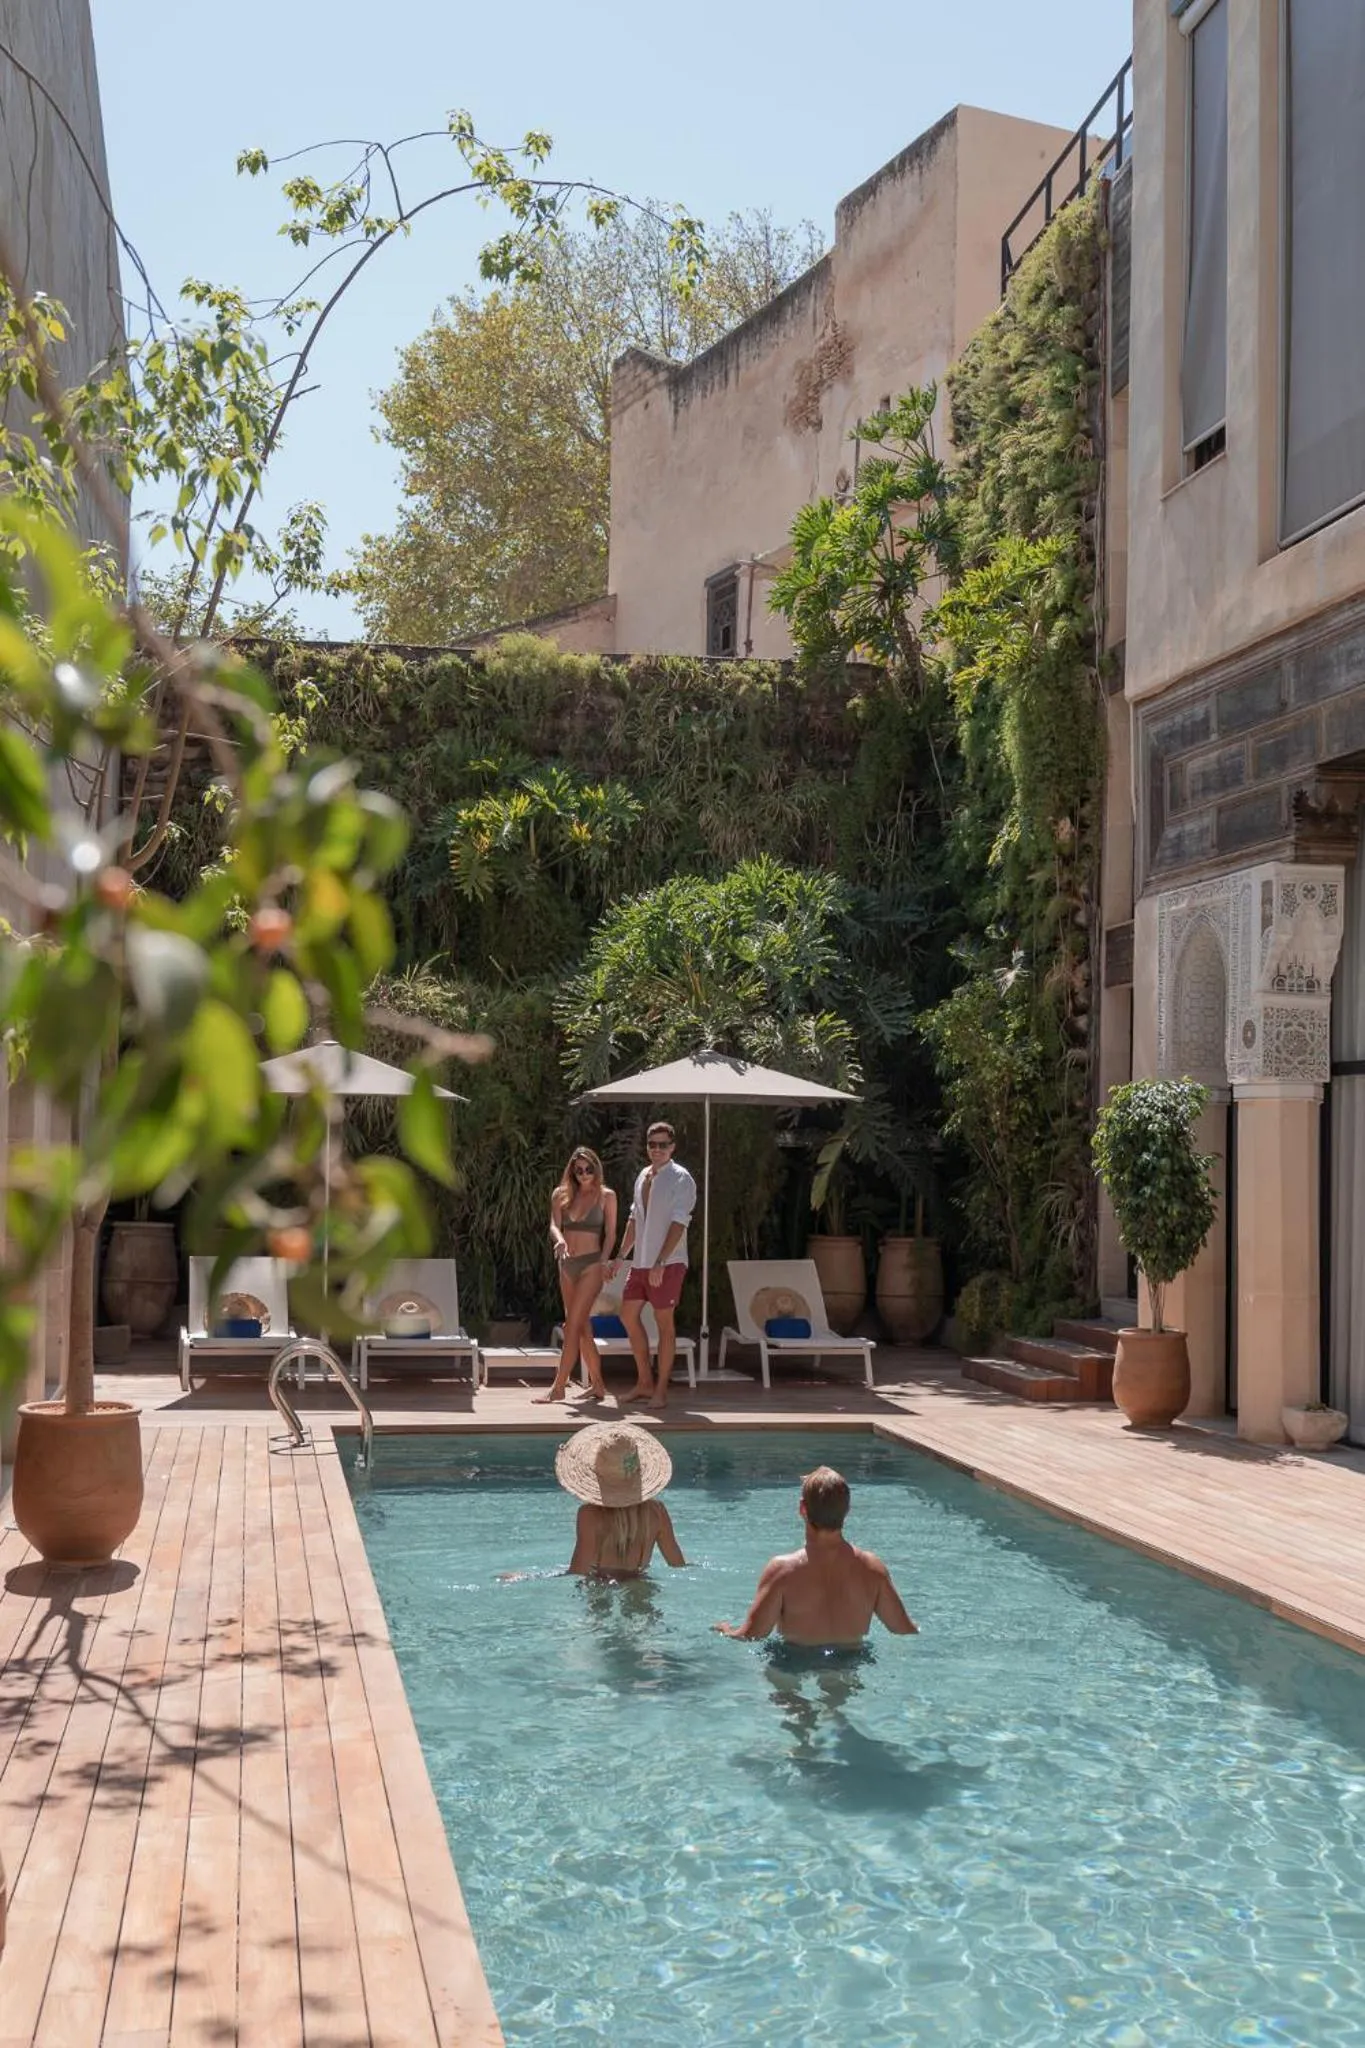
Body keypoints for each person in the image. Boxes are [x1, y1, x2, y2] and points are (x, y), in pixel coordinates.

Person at [713, 1466, 918, 1648]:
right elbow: (904, 1629)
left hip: (793, 1660)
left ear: (803, 1509)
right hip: (849, 1660)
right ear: (847, 1510)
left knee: (785, 1690)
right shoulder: (872, 1568)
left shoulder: (783, 1570)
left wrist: (725, 1630)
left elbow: (752, 1635)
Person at [611, 1121, 696, 1411]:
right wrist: (621, 1256)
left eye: (663, 1145)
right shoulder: (643, 1175)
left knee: (665, 1327)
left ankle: (661, 1391)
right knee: (628, 1315)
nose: (657, 1149)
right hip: (641, 1262)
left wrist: (661, 1261)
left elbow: (679, 1223)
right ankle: (644, 1382)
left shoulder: (681, 1178)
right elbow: (634, 1219)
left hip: (668, 1263)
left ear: (672, 1147)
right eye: (652, 1144)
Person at [534, 1147, 616, 1405]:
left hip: (592, 1265)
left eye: (589, 1169)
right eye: (578, 1170)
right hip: (566, 1264)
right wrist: (558, 1241)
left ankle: (559, 1386)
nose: (584, 1174)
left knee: (571, 1325)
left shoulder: (606, 1196)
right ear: (572, 1170)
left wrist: (604, 1261)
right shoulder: (561, 1194)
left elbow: (611, 1234)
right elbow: (553, 1225)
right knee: (581, 1328)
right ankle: (598, 1386)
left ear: (596, 1168)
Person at [555, 1421, 687, 1578]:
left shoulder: (589, 1515)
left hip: (599, 1583)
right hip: (639, 1581)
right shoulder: (656, 1512)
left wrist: (533, 1577)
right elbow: (678, 1564)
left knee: (599, 1601)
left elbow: (578, 1570)